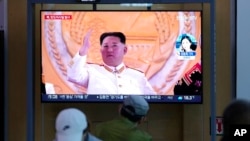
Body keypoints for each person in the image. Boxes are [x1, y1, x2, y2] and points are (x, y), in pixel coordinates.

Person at [67, 30, 156, 95]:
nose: (109, 50)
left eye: (114, 46)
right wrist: (83, 50)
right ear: (101, 51)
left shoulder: (138, 76)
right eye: (105, 46)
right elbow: (72, 75)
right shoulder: (91, 71)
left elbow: (154, 100)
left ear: (124, 50)